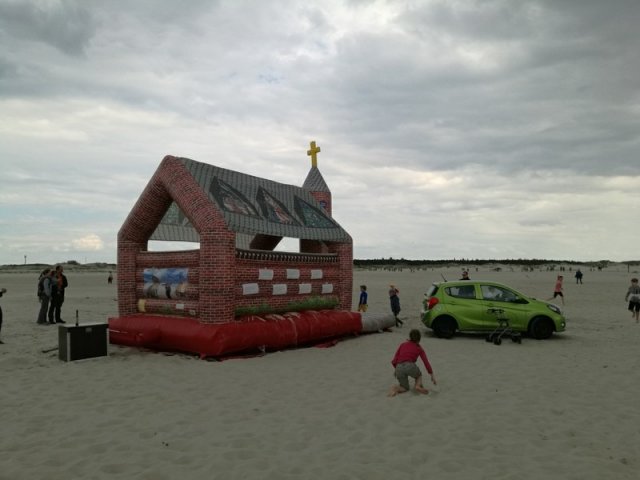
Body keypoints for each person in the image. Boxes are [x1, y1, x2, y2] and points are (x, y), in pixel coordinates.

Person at [388, 329, 436, 397]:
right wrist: (432, 375)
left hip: (398, 367)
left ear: (410, 337)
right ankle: (417, 386)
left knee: (404, 388)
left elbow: (395, 359)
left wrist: (396, 369)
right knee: (418, 376)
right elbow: (426, 362)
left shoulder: (403, 344)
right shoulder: (419, 348)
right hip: (410, 365)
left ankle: (394, 390)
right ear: (419, 339)